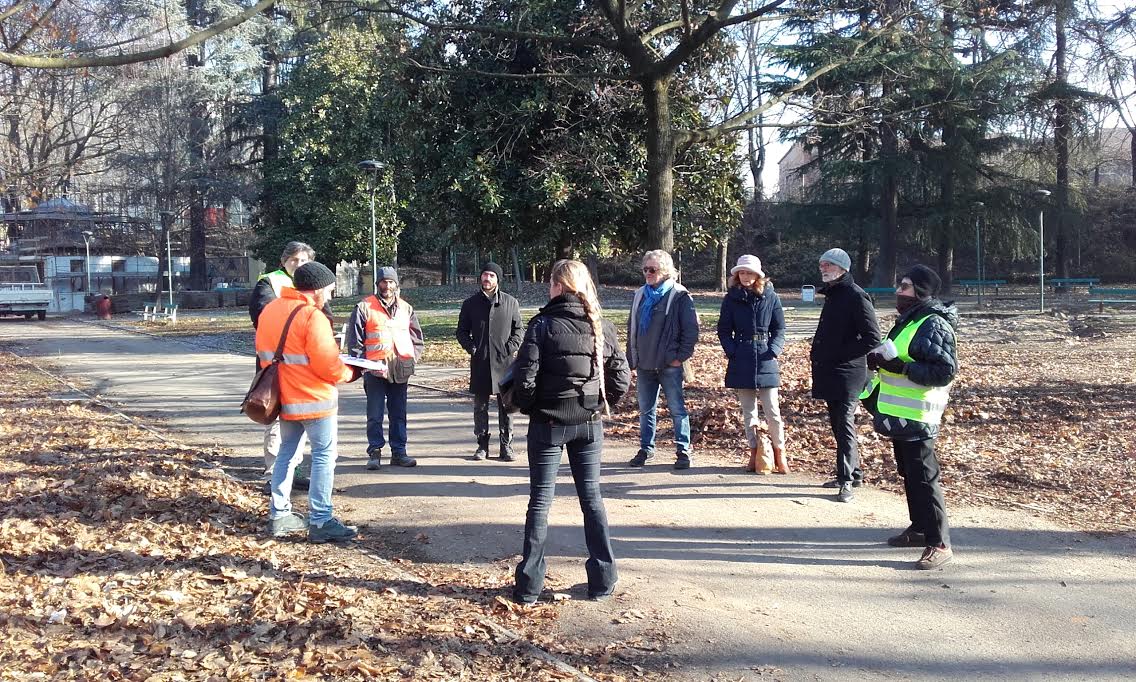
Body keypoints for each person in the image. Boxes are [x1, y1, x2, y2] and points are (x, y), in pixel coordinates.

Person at [511, 259, 631, 604]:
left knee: (540, 501)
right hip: (588, 423)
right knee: (591, 499)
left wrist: (533, 408)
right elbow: (621, 378)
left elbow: (524, 379)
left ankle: (529, 586)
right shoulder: (601, 325)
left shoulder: (542, 325)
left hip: (548, 424)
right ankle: (602, 580)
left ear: (558, 286)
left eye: (550, 283)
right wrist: (599, 404)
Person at [860, 265, 958, 569]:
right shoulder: (909, 320)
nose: (898, 291)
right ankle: (920, 529)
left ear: (921, 291)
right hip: (901, 415)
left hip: (919, 415)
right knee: (911, 475)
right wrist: (880, 361)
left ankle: (940, 544)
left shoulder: (933, 324)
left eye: (904, 286)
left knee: (925, 479)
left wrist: (902, 368)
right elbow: (903, 355)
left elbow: (945, 370)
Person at [256, 261, 359, 543]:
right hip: (315, 400)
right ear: (317, 289)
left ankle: (279, 514)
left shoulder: (270, 310)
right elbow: (327, 365)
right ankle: (321, 519)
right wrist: (350, 373)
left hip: (283, 398)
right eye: (329, 290)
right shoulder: (313, 317)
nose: (330, 296)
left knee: (286, 454)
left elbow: (265, 354)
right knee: (324, 456)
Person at [249, 241, 330, 489]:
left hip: (305, 369)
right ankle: (273, 473)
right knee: (276, 419)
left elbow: (325, 317)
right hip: (276, 365)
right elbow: (263, 316)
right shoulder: (270, 282)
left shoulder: (314, 284)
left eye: (304, 260)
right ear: (283, 261)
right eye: (294, 260)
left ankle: (295, 471)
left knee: (301, 421)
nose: (299, 264)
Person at [810, 247, 880, 503]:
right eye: (822, 264)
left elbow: (872, 338)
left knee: (844, 424)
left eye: (828, 264)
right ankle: (854, 473)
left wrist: (841, 354)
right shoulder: (833, 293)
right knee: (838, 424)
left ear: (842, 268)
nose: (823, 268)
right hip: (830, 370)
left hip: (849, 373)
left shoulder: (856, 295)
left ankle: (846, 480)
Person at [625, 250, 700, 469]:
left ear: (665, 271)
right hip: (645, 364)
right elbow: (631, 328)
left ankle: (683, 451)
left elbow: (691, 331)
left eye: (653, 269)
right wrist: (632, 358)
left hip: (669, 364)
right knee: (646, 410)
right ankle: (646, 449)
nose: (648, 273)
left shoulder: (679, 296)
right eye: (645, 269)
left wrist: (679, 358)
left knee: (677, 409)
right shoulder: (640, 295)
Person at [345, 266, 424, 470]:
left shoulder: (406, 308)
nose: (387, 286)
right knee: (375, 414)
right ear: (377, 284)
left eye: (390, 282)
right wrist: (365, 367)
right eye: (383, 282)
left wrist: (412, 359)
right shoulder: (364, 307)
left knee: (399, 414)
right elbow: (355, 342)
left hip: (400, 369)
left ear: (396, 284)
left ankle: (399, 452)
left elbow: (417, 339)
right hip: (374, 370)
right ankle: (375, 452)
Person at [716, 255, 788, 474]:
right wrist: (732, 351)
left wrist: (773, 350)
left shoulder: (771, 297)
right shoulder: (731, 299)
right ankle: (755, 453)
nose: (745, 276)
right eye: (742, 272)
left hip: (766, 356)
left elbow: (779, 328)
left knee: (772, 411)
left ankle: (780, 454)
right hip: (742, 357)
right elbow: (723, 330)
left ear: (758, 275)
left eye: (749, 272)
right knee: (749, 412)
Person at [456, 262, 524, 461]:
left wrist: (509, 348)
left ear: (498, 279)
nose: (487, 278)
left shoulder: (511, 302)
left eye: (491, 275)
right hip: (480, 362)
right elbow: (461, 332)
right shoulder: (470, 304)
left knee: (507, 407)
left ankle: (506, 446)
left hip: (504, 364)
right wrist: (472, 348)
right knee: (480, 407)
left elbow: (519, 330)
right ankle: (482, 445)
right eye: (485, 275)